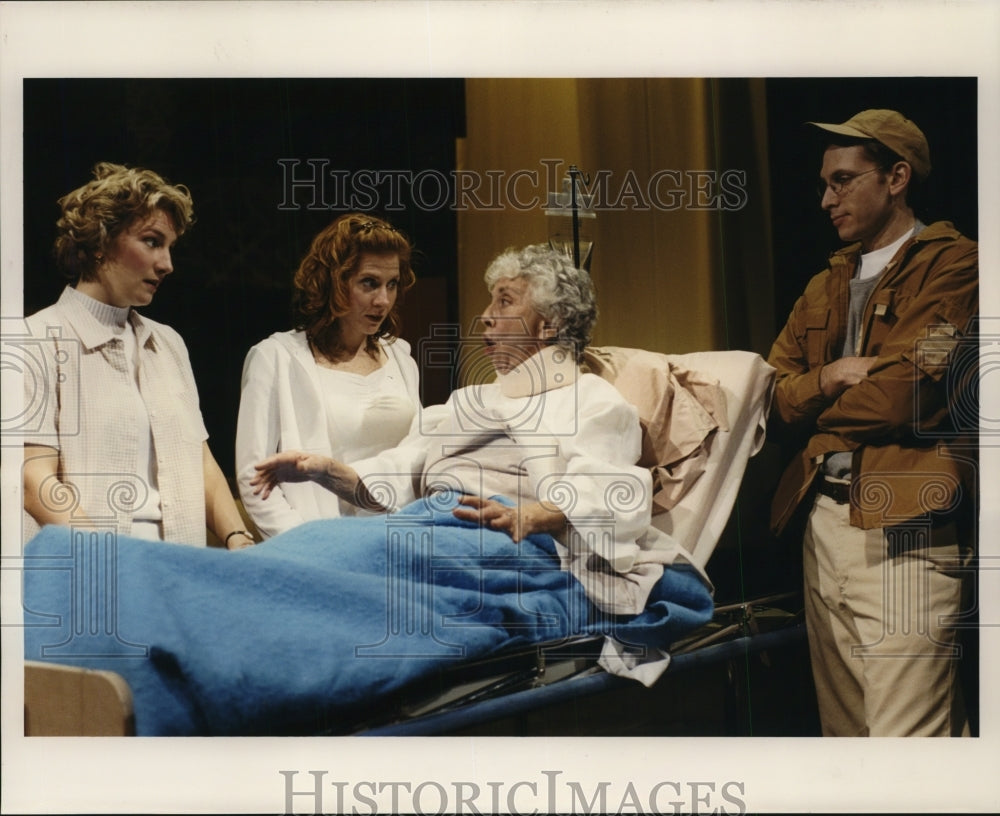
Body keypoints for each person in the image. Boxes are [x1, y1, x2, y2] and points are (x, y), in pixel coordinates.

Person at [250, 244, 696, 616]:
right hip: (431, 526)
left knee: (333, 568)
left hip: (513, 545)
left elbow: (613, 493)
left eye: (504, 300)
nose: (485, 315)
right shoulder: (470, 401)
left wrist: (530, 515)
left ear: (550, 325)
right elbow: (399, 472)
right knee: (312, 548)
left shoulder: (591, 400)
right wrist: (326, 470)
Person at [767, 109, 978, 736]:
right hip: (823, 520)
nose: (826, 198)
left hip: (905, 526)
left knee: (903, 747)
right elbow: (771, 399)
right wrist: (829, 378)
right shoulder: (824, 282)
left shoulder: (956, 264)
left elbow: (900, 398)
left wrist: (813, 410)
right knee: (852, 741)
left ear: (896, 178)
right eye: (825, 184)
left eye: (843, 180)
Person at [22, 162, 254, 549]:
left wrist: (237, 536)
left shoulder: (168, 344)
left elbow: (200, 462)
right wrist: (114, 561)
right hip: (92, 570)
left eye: (170, 247)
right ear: (99, 242)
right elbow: (35, 482)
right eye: (152, 241)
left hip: (179, 567)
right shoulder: (36, 340)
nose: (167, 264)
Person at [235, 213, 420, 538]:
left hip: (397, 541)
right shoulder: (276, 357)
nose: (383, 300)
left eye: (392, 285)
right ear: (334, 281)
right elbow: (254, 479)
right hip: (321, 544)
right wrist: (313, 550)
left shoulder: (401, 357)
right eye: (369, 283)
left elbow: (418, 458)